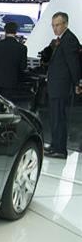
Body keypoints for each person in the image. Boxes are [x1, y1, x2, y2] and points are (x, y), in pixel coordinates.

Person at [45, 12, 81, 159]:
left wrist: (77, 83)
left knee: (59, 118)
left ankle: (60, 149)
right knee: (55, 118)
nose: (55, 28)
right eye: (53, 25)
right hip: (56, 86)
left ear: (65, 24)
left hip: (61, 87)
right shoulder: (61, 39)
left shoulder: (69, 40)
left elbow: (74, 64)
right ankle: (55, 145)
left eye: (58, 25)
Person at [0, 22, 28, 101]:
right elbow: (23, 67)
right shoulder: (22, 48)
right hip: (11, 82)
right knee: (6, 104)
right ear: (16, 31)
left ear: (5, 30)